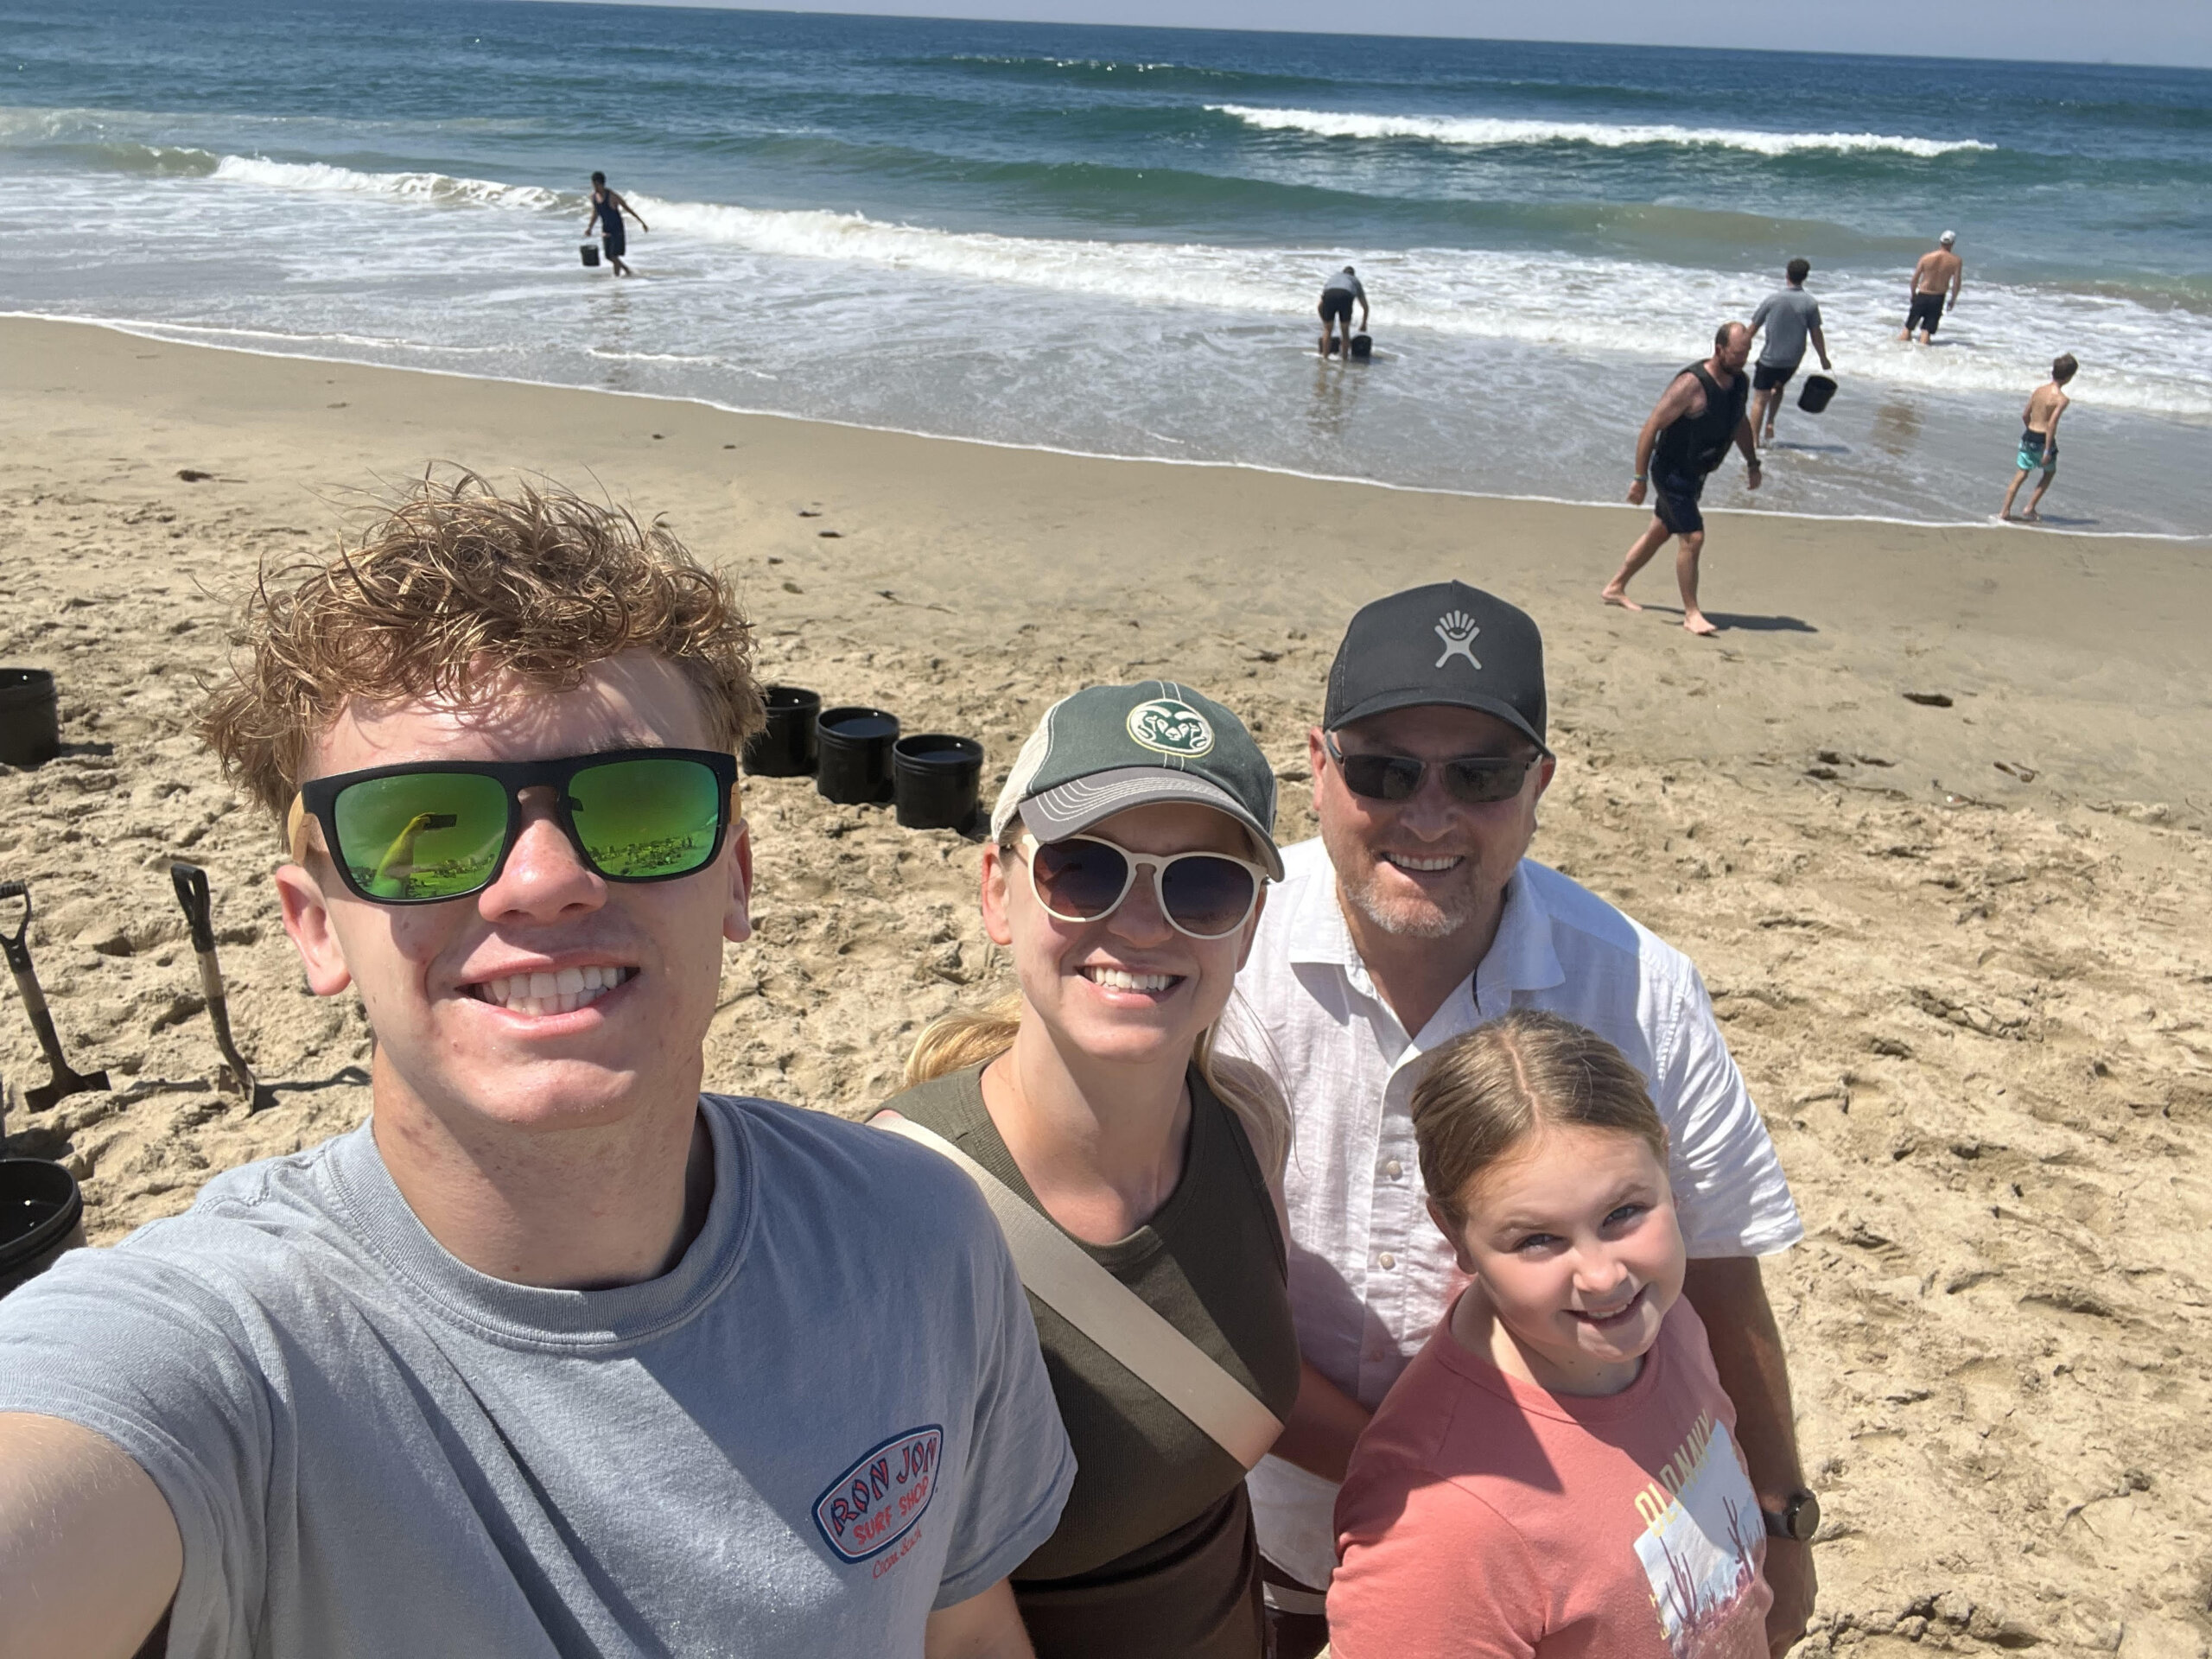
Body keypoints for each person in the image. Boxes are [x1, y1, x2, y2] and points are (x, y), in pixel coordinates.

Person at [0, 476, 1074, 1658]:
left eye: (642, 805)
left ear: (736, 878)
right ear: (315, 929)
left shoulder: (918, 1236)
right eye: (423, 827)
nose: (545, 878)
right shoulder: (230, 1356)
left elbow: (962, 1632)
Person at [1215, 582, 1813, 1659]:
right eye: (1384, 770)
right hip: (1241, 1532)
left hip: (1561, 1564)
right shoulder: (1218, 948)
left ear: (1539, 783)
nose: (1428, 815)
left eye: (1480, 776)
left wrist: (1781, 1510)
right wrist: (1447, 1491)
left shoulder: (1641, 988)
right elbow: (1168, 1283)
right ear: (1317, 765)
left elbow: (1720, 1266)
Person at [880, 682, 1303, 1659]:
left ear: (1247, 926)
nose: (1144, 924)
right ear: (998, 892)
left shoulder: (1246, 1124)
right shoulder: (900, 1208)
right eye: (1084, 870)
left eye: (1203, 884)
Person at [1329, 1012, 1774, 1656]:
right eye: (1538, 1239)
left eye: (1624, 1213)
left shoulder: (1665, 1318)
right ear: (1455, 1235)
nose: (1603, 1276)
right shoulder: (1443, 1524)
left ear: (1666, 1163)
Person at [1601, 323, 1763, 637]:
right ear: (1719, 350)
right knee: (1693, 537)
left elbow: (1739, 422)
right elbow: (1651, 427)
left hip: (1695, 474)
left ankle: (1615, 587)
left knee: (1660, 531)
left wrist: (1752, 462)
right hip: (1670, 472)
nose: (1743, 360)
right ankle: (1692, 614)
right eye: (1737, 353)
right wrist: (1639, 478)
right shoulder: (1691, 384)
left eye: (1747, 353)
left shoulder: (1739, 382)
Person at [1747, 257, 1832, 448]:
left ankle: (1754, 441)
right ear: (1805, 277)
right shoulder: (1810, 303)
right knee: (1778, 387)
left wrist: (1739, 350)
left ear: (1787, 275)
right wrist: (1823, 358)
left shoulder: (1772, 300)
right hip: (1792, 360)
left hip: (1770, 359)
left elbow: (1752, 329)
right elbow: (1816, 334)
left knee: (1760, 399)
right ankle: (1770, 421)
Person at [1999, 353, 2077, 523]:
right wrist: (2047, 450)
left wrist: (2031, 431)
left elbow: (2025, 415)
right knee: (2049, 473)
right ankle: (2030, 507)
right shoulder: (2062, 399)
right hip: (2043, 440)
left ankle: (2004, 511)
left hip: (2029, 436)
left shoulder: (2039, 391)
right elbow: (2051, 425)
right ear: (2069, 377)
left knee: (2021, 474)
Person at [1899, 230, 1962, 343]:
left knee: (1908, 328)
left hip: (1923, 295)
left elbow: (1914, 279)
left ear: (1940, 242)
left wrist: (1913, 294)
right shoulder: (1956, 261)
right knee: (1926, 331)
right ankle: (1923, 352)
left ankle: (1897, 351)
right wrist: (1953, 300)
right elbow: (1956, 284)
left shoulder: (1926, 257)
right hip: (1938, 297)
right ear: (1952, 243)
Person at [587, 170, 648, 276]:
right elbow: (595, 213)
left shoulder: (612, 196)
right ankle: (626, 270)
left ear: (601, 184)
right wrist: (589, 228)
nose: (594, 187)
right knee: (608, 256)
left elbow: (627, 208)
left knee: (614, 255)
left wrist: (641, 222)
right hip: (606, 228)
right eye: (593, 184)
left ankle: (617, 277)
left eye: (596, 185)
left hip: (617, 228)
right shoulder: (593, 197)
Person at [1318, 266, 1368, 359]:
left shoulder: (1334, 278)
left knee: (1328, 330)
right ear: (1353, 274)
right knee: (1345, 331)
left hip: (1329, 294)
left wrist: (1324, 321)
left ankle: (1325, 358)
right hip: (1345, 295)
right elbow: (1365, 307)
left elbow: (1319, 306)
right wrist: (1363, 324)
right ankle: (1344, 359)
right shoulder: (1355, 280)